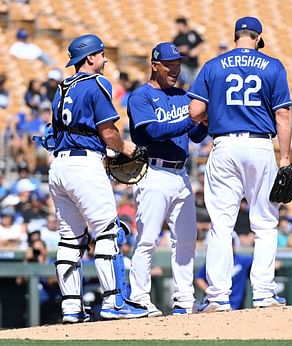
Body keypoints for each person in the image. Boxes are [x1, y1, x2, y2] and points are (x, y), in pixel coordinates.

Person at [188, 16, 290, 311]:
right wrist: (284, 158)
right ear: (258, 38)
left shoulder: (213, 65)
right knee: (266, 223)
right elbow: (282, 115)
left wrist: (217, 115)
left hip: (225, 145)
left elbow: (195, 111)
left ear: (236, 37)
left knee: (221, 223)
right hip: (260, 144)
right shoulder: (273, 66)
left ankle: (217, 297)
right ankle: (264, 295)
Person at [47, 34, 148, 322]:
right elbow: (107, 132)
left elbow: (53, 132)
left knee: (69, 240)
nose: (104, 59)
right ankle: (114, 302)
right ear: (90, 57)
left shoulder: (61, 88)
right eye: (101, 54)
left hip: (59, 166)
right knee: (107, 232)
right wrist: (128, 148)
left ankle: (70, 309)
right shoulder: (96, 83)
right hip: (83, 165)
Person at [127, 42, 208, 316]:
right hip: (153, 172)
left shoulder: (183, 95)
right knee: (147, 239)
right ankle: (139, 298)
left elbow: (195, 136)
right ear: (154, 65)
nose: (175, 69)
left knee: (186, 239)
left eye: (178, 64)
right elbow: (154, 131)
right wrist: (191, 120)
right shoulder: (141, 97)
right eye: (169, 64)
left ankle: (184, 298)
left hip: (180, 174)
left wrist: (204, 120)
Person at [195, 232, 252, 310]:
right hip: (215, 302)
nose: (230, 246)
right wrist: (210, 291)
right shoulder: (214, 262)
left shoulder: (242, 260)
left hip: (235, 305)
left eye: (231, 244)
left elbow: (259, 263)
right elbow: (199, 278)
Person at [172, 17, 205, 88]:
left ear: (181, 24)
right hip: (183, 64)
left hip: (194, 65)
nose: (176, 28)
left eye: (177, 25)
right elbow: (172, 50)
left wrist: (195, 51)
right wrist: (181, 49)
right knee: (183, 80)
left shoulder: (193, 34)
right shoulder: (177, 38)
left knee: (194, 85)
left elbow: (201, 44)